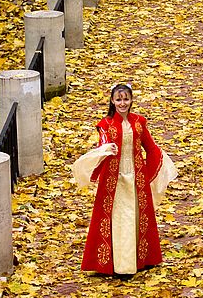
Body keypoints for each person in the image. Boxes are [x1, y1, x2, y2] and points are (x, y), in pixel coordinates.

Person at [71, 83, 177, 278]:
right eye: (118, 99)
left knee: (135, 217)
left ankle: (139, 259)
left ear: (131, 100)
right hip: (114, 180)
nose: (122, 103)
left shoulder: (139, 122)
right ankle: (120, 265)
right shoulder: (106, 124)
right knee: (120, 219)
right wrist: (106, 150)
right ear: (112, 100)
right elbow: (102, 145)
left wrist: (159, 165)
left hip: (137, 179)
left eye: (126, 99)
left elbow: (150, 147)